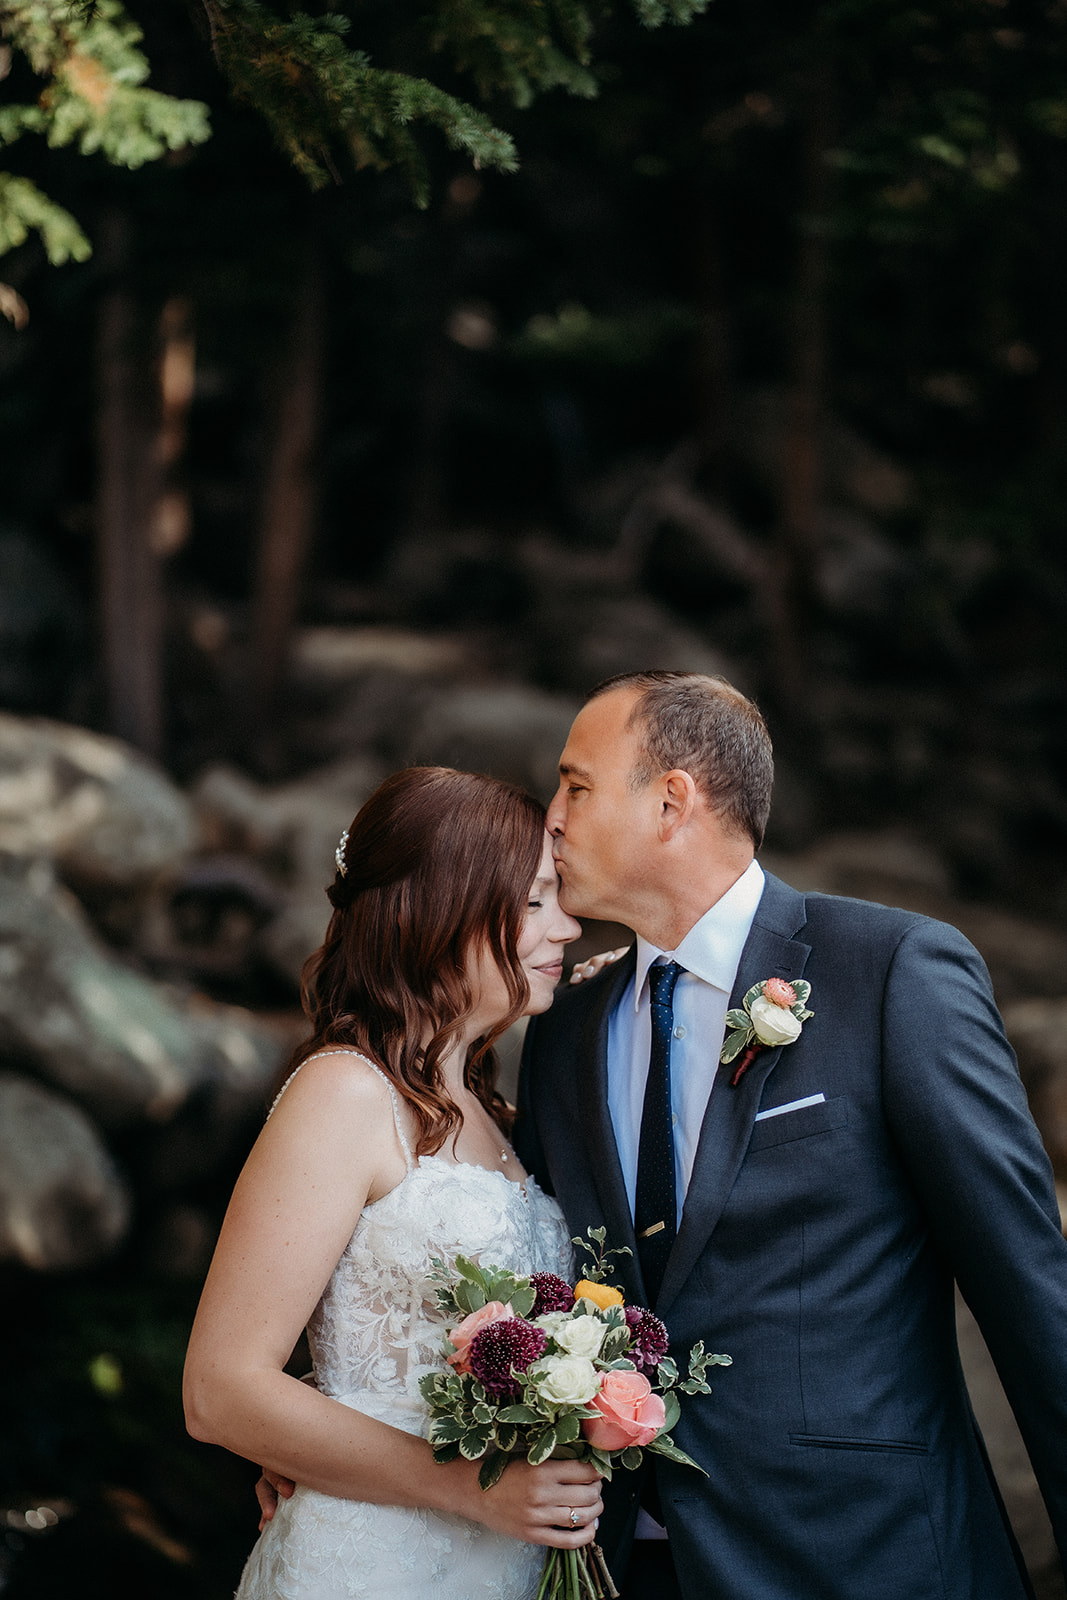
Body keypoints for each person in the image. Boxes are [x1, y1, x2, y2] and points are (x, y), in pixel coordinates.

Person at [517, 669, 1067, 1600]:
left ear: (670, 801)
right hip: (621, 1563)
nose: (551, 820)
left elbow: (1026, 1285)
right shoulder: (564, 1028)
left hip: (863, 1551)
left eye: (574, 785)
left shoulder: (890, 972)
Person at [183, 765, 605, 1600]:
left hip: (498, 1566)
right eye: (534, 902)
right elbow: (219, 1391)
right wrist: (474, 1487)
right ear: (445, 909)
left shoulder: (498, 1115)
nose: (567, 926)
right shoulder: (344, 1092)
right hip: (370, 1566)